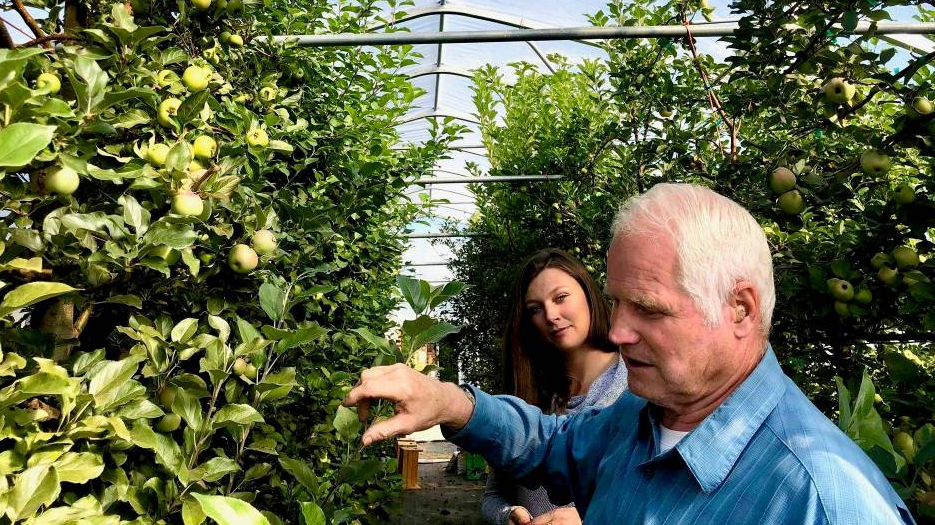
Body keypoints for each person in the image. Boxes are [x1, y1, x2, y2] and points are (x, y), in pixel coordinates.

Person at [345, 184, 915, 524]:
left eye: (649, 309)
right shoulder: (642, 418)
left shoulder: (823, 501)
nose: (618, 332)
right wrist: (448, 402)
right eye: (617, 303)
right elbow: (553, 444)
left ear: (739, 309)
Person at [481, 249, 627, 525]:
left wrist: (590, 517)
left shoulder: (636, 387)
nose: (550, 315)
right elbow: (493, 495)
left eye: (560, 298)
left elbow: (664, 495)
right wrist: (508, 515)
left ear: (588, 293)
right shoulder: (527, 395)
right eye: (535, 309)